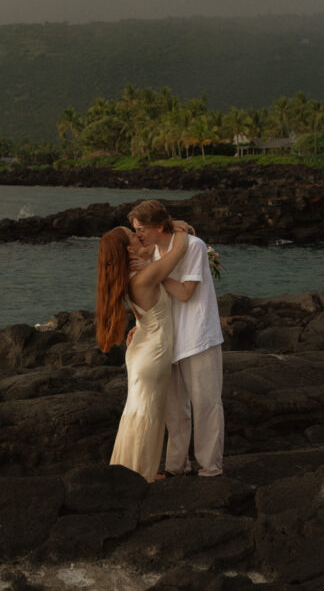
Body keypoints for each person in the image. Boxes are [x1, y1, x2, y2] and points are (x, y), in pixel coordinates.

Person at [127, 200, 224, 478]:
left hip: (198, 334)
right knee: (174, 409)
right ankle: (176, 466)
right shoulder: (155, 251)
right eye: (136, 229)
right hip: (168, 336)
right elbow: (154, 296)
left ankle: (211, 468)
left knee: (206, 404)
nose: (139, 235)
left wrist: (154, 269)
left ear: (159, 226)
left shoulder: (193, 246)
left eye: (142, 228)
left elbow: (184, 293)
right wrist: (140, 324)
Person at [95, 222, 189, 482]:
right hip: (153, 353)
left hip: (142, 349)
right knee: (147, 416)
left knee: (136, 414)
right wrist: (177, 227)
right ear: (128, 249)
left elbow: (148, 309)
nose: (137, 235)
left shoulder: (127, 276)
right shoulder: (146, 275)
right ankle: (140, 475)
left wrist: (138, 325)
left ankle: (127, 471)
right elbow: (179, 251)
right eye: (132, 235)